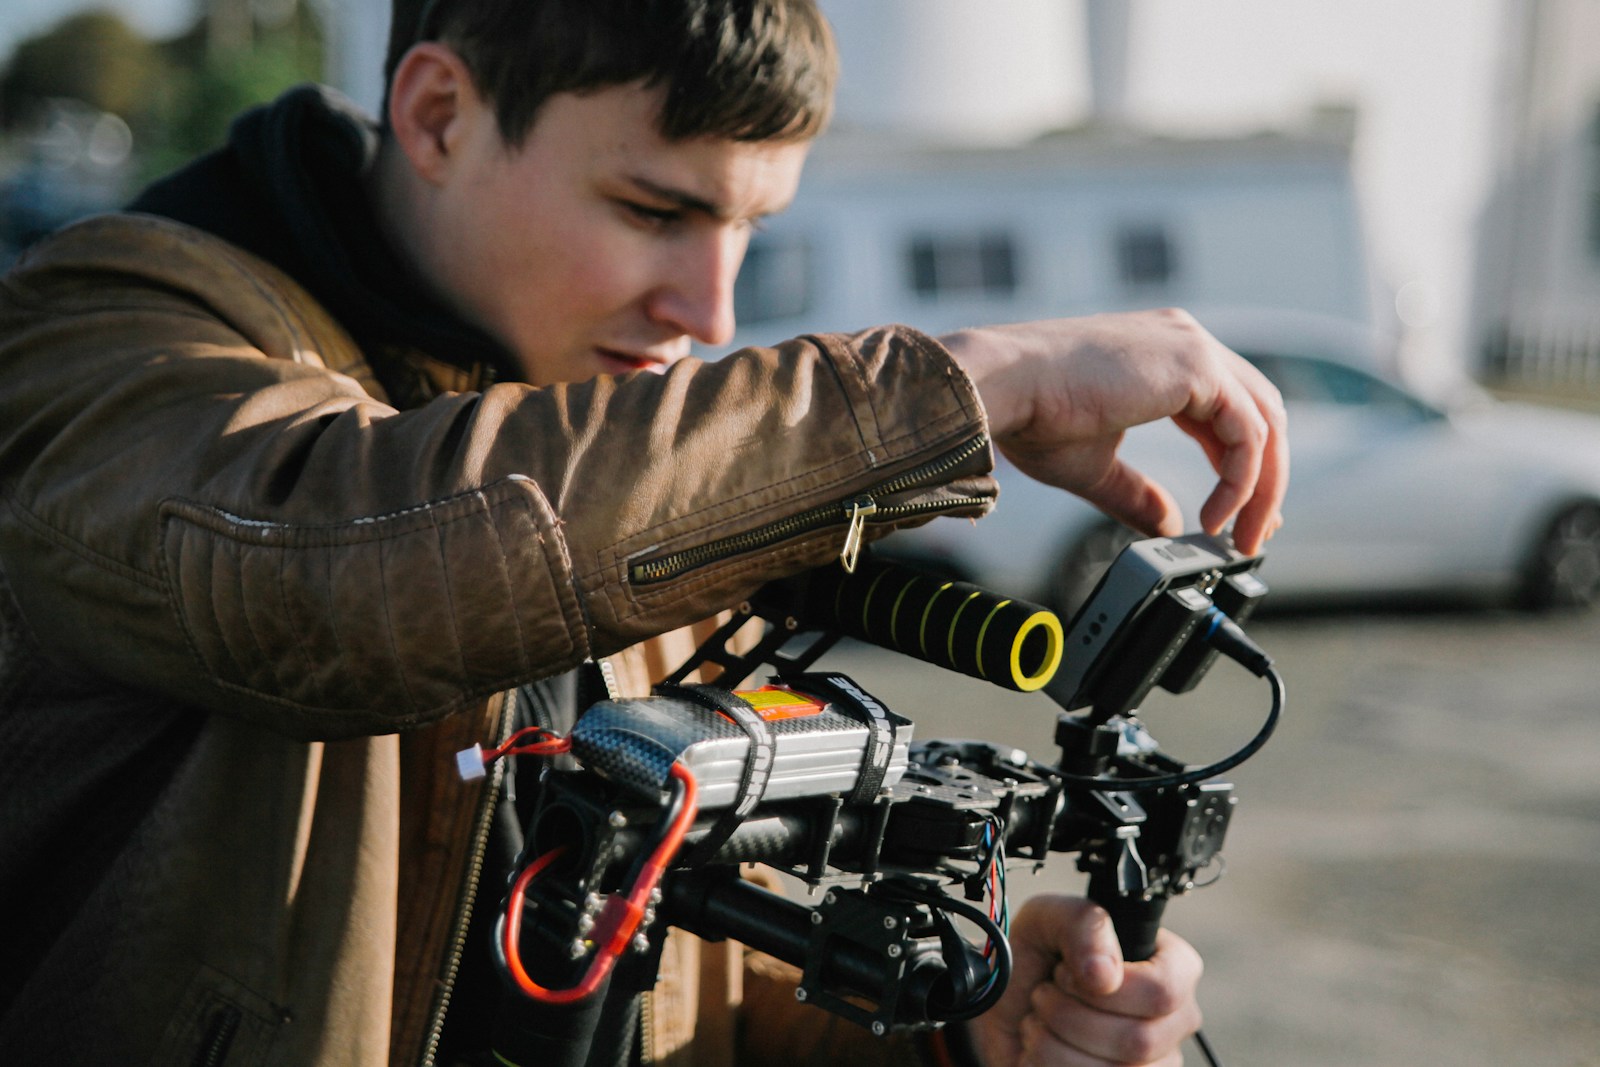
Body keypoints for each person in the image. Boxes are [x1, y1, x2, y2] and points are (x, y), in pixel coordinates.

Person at [0, 1, 1286, 1064]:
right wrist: (963, 386)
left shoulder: (615, 451)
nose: (709, 307)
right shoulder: (107, 324)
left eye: (747, 229)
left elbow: (681, 985)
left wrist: (961, 1027)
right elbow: (331, 568)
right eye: (655, 209)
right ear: (438, 113)